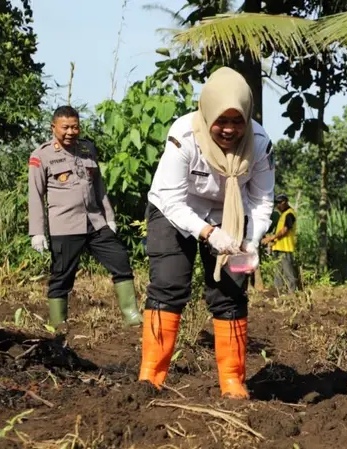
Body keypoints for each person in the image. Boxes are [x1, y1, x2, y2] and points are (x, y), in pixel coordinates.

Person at [138, 67, 275, 399]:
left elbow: (260, 198)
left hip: (228, 214)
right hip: (174, 211)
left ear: (248, 115)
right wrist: (208, 233)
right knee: (169, 285)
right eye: (221, 121)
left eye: (237, 121)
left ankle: (232, 381)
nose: (229, 129)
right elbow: (170, 197)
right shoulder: (184, 134)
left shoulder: (259, 143)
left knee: (229, 293)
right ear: (207, 111)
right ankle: (151, 379)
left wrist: (252, 240)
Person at [28, 105, 142, 330]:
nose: (70, 132)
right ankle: (58, 327)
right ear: (54, 128)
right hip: (65, 225)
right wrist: (37, 232)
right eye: (65, 128)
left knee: (120, 260)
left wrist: (109, 217)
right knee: (62, 277)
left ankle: (132, 318)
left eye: (75, 127)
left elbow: (99, 186)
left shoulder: (87, 149)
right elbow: (35, 194)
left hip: (95, 222)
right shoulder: (42, 155)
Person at [262, 194, 298, 293]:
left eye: (279, 203)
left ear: (284, 202)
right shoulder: (283, 214)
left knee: (288, 271)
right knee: (278, 272)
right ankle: (278, 291)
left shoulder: (290, 214)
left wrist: (271, 238)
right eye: (276, 203)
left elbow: (285, 230)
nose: (277, 206)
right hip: (278, 247)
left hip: (285, 248)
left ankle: (292, 292)